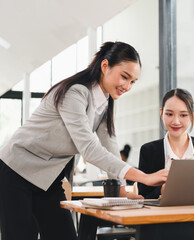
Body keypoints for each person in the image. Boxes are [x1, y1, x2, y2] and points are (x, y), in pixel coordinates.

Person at [0, 41, 167, 240]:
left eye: (133, 81)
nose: (127, 86)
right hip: (16, 170)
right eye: (124, 77)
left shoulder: (105, 102)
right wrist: (144, 177)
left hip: (47, 178)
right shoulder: (75, 93)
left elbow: (110, 146)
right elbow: (90, 149)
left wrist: (122, 189)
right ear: (105, 66)